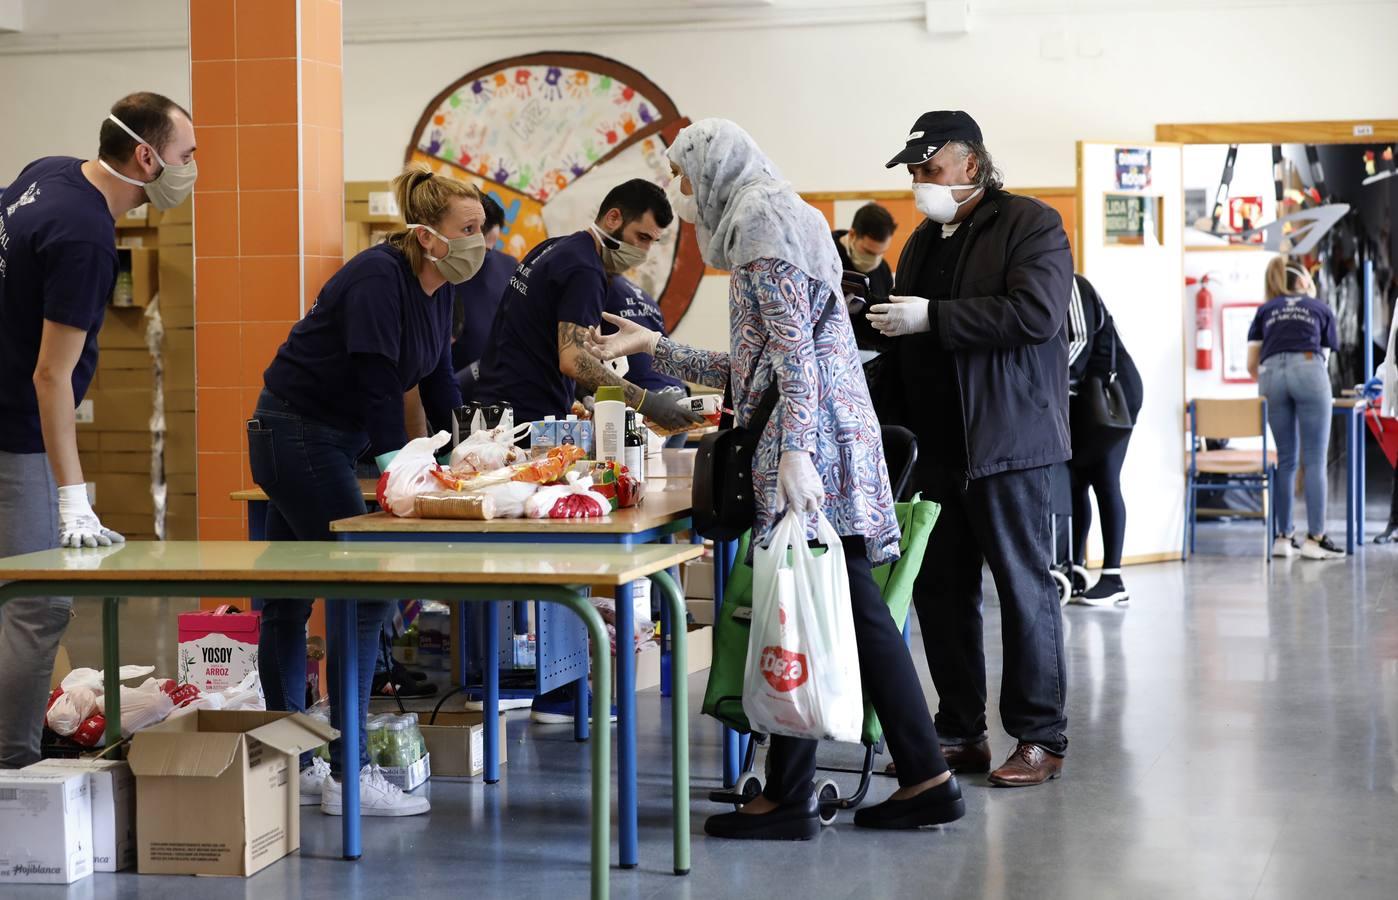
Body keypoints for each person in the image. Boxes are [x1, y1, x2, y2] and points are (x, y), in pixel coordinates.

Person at [587, 118, 963, 840]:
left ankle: (850, 788)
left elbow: (794, 359)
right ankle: (899, 779)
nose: (685, 196)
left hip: (809, 449)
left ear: (716, 167)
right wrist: (656, 346)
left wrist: (793, 454)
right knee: (824, 602)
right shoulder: (782, 216)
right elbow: (757, 368)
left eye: (687, 178)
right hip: (826, 434)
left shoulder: (760, 225)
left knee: (821, 600)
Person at [248, 165, 486, 815]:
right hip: (294, 432)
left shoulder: (438, 289)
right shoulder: (379, 278)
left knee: (290, 600)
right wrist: (394, 472)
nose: (481, 240)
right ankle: (347, 775)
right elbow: (380, 384)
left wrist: (465, 447)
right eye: (468, 229)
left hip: (325, 437)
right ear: (428, 235)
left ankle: (291, 761)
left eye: (483, 228)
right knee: (367, 588)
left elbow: (434, 377)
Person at [865, 110, 1073, 787]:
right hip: (937, 447)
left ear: (973, 165)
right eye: (915, 173)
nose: (921, 183)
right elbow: (908, 337)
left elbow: (1036, 314)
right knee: (941, 592)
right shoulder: (922, 240)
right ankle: (959, 730)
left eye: (930, 169)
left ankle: (1039, 736)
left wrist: (934, 316)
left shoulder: (1031, 225)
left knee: (1023, 589)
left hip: (1009, 443)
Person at [0, 92, 196, 768]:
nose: (190, 168)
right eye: (184, 155)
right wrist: (72, 497)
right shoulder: (85, 237)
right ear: (146, 156)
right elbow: (50, 378)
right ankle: (14, 768)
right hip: (14, 434)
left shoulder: (48, 172)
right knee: (38, 603)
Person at [472, 180, 702, 722]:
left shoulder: (553, 248)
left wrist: (582, 403)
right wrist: (648, 403)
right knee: (565, 552)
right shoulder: (582, 267)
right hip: (523, 428)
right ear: (614, 217)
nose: (645, 250)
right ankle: (560, 693)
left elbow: (548, 355)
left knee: (551, 558)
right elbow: (574, 358)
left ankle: (554, 686)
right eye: (641, 235)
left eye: (655, 242)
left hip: (510, 416)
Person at [1246, 257, 1343, 559]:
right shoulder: (1319, 308)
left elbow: (1252, 364)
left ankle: (1283, 538)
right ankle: (1315, 539)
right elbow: (1326, 355)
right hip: (1308, 367)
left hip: (1271, 376)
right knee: (1314, 460)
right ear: (1302, 282)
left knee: (1286, 460)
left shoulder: (1265, 310)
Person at [1066, 274, 1143, 606]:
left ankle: (1114, 577)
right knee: (1076, 482)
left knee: (1105, 479)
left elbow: (1080, 340)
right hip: (1082, 396)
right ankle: (1076, 567)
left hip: (1113, 394)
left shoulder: (1068, 282)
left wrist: (1041, 383)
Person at [452, 194, 517, 401]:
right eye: (481, 249)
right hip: (449, 383)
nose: (483, 258)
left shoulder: (510, 266)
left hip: (498, 387)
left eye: (490, 250)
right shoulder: (446, 270)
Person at [833, 202, 896, 302]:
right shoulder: (826, 256)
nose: (874, 260)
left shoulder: (883, 270)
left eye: (881, 253)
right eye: (868, 252)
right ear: (852, 235)